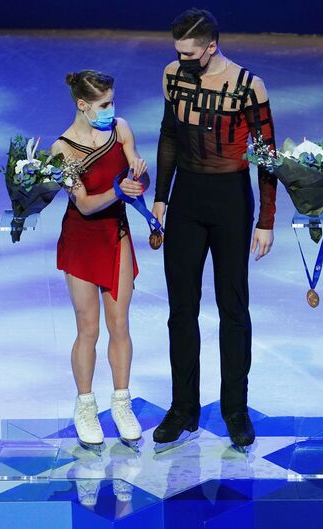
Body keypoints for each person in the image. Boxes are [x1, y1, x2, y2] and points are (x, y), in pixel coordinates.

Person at [151, 9, 278, 448]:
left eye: (189, 53)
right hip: (186, 197)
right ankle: (182, 408)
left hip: (229, 200)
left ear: (211, 46)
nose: (182, 60)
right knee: (181, 309)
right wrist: (162, 197)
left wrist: (266, 219)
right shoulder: (172, 75)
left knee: (233, 307)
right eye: (177, 52)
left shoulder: (248, 85)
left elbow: (266, 153)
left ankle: (235, 410)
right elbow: (169, 135)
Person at [51, 70, 148, 448]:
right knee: (88, 328)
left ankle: (121, 404)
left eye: (112, 102)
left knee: (119, 322)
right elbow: (87, 204)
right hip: (82, 240)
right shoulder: (63, 150)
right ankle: (86, 406)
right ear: (83, 105)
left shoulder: (120, 129)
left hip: (117, 235)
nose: (112, 109)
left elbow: (135, 171)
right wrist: (118, 190)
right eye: (104, 104)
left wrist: (139, 178)